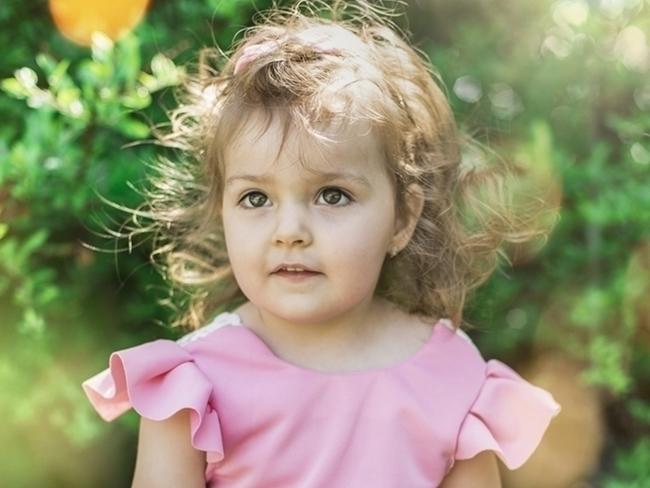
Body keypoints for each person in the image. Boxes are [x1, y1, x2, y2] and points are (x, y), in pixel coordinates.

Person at [81, 0, 561, 486]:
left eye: (332, 195)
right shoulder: (194, 386)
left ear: (402, 218)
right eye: (255, 198)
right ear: (222, 212)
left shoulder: (453, 377)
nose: (289, 230)